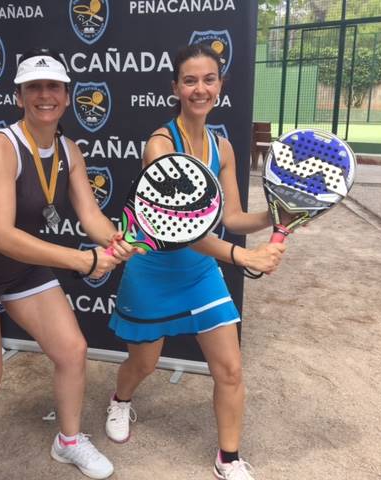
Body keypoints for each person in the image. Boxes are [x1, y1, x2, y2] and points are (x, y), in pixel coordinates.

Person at [0, 47, 137, 480]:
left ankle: (68, 441)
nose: (45, 95)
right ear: (19, 96)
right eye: (34, 87)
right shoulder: (1, 147)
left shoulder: (69, 150)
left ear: (67, 95)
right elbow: (1, 235)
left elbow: (91, 216)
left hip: (21, 269)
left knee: (72, 351)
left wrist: (115, 240)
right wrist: (82, 259)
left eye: (54, 87)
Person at [104, 44, 287, 480]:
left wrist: (278, 214)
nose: (200, 89)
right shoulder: (159, 145)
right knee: (144, 364)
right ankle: (120, 400)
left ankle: (228, 458)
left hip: (201, 273)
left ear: (220, 86)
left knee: (230, 370)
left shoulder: (223, 148)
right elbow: (182, 229)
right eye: (190, 81)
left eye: (209, 79)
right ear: (176, 88)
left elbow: (233, 218)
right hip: (152, 271)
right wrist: (243, 255)